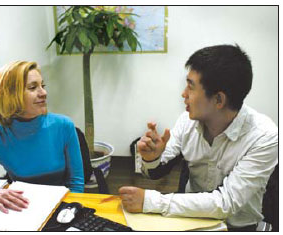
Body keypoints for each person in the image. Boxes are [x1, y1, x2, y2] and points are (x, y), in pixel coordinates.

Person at [119, 45, 278, 231]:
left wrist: (151, 201)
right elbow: (155, 172)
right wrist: (151, 158)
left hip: (240, 228)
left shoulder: (264, 136)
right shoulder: (187, 122)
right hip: (189, 220)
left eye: (191, 86)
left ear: (219, 100)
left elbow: (225, 202)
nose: (183, 94)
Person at [0, 61, 84, 214]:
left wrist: (70, 211)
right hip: (22, 211)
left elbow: (76, 183)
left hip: (63, 208)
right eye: (33, 87)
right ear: (10, 95)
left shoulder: (64, 125)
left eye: (42, 86)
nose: (43, 93)